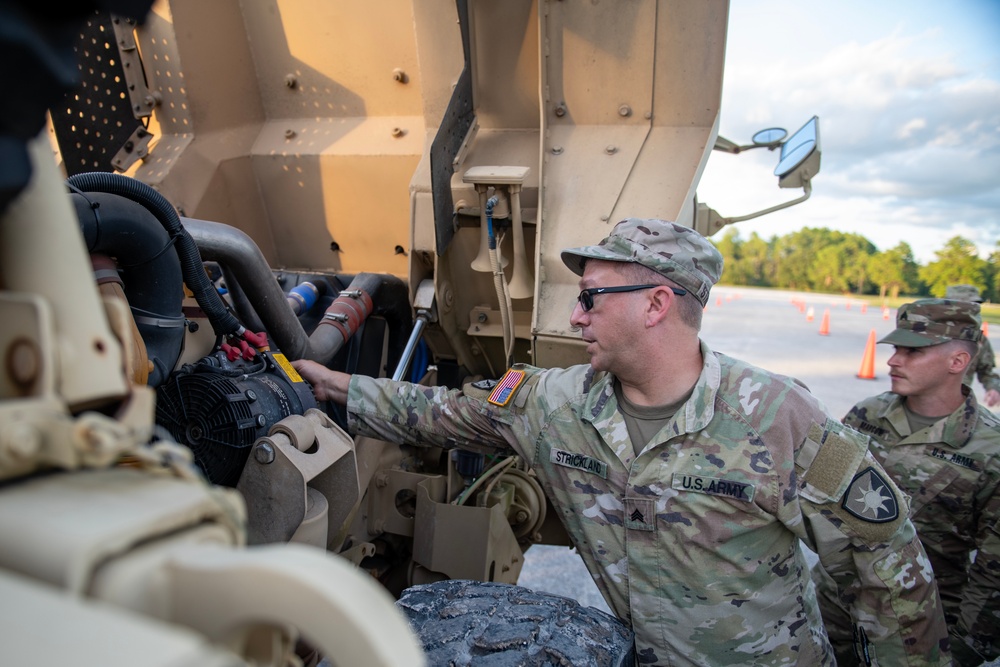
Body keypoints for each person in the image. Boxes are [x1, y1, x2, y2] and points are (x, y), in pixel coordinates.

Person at [293, 218, 948, 666]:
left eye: (591, 296)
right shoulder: (557, 403)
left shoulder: (784, 417)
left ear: (657, 303)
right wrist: (333, 385)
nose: (575, 315)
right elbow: (442, 413)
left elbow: (887, 560)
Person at [834, 298, 1000, 665]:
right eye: (896, 349)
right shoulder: (866, 414)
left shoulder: (990, 449)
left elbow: (994, 570)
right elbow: (818, 495)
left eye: (913, 351)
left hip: (922, 626)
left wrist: (966, 646)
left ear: (957, 362)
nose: (893, 360)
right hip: (836, 608)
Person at [945, 284, 1000, 408]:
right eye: (967, 305)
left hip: (957, 406)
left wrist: (993, 388)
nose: (972, 311)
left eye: (975, 306)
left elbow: (986, 372)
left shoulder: (978, 340)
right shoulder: (929, 333)